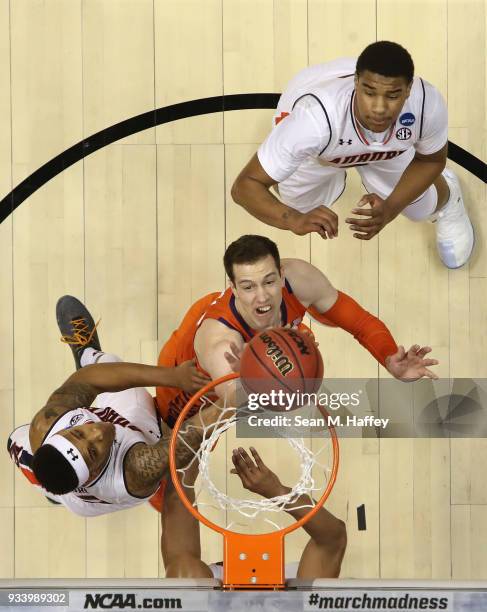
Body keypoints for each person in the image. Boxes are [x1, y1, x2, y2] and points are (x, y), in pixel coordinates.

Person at [231, 41, 474, 269]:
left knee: (420, 207)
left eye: (392, 96)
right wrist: (293, 219)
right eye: (369, 93)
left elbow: (431, 160)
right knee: (301, 206)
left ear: (408, 90)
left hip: (381, 148)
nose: (379, 108)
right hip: (318, 148)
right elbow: (245, 186)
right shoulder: (311, 121)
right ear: (356, 83)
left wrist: (390, 208)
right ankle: (336, 173)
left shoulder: (426, 104)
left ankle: (450, 198)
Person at [156, 233, 439, 427]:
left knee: (320, 315)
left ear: (281, 273)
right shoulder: (221, 346)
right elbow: (234, 405)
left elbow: (360, 322)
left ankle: (286, 331)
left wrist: (389, 358)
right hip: (190, 380)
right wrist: (253, 377)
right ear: (233, 287)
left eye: (269, 281)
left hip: (255, 330)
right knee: (181, 443)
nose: (262, 296)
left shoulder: (299, 278)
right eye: (248, 287)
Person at [7, 295, 215, 516]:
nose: (97, 431)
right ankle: (53, 494)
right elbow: (192, 432)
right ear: (95, 470)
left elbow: (88, 380)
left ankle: (87, 354)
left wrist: (174, 376)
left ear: (63, 431)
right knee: (172, 457)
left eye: (79, 433)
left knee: (15, 439)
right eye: (93, 451)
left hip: (72, 458)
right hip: (135, 445)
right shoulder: (136, 470)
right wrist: (241, 394)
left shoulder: (45, 425)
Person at [162, 446, 347, 580]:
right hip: (275, 592)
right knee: (184, 570)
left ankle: (187, 438)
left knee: (184, 569)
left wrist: (189, 437)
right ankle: (188, 439)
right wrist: (277, 491)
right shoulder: (301, 592)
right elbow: (332, 537)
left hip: (211, 590)